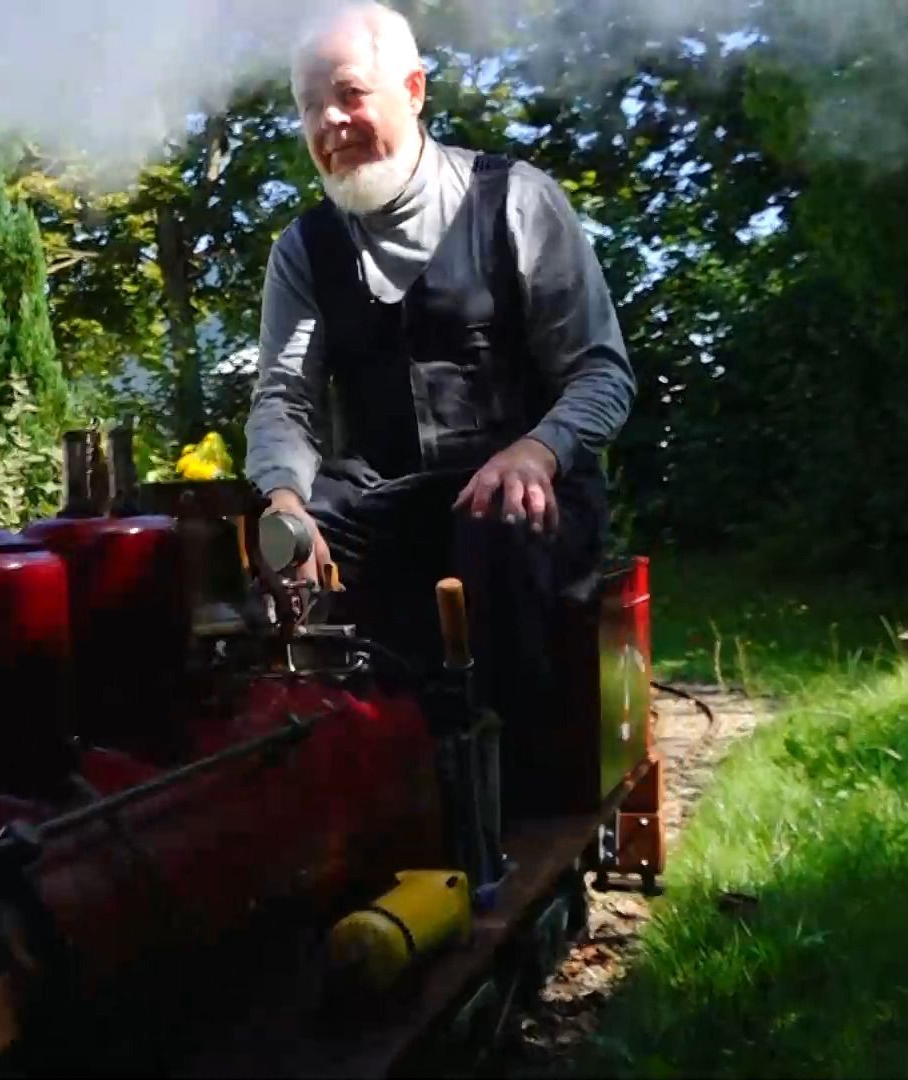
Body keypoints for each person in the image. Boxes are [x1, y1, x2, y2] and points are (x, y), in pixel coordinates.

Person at [245, 3, 636, 717]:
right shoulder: (302, 249)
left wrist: (539, 451)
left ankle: (510, 798)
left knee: (500, 529)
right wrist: (283, 504)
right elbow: (285, 400)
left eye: (350, 94)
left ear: (415, 90)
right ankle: (332, 769)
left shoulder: (517, 200)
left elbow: (602, 372)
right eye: (310, 108)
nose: (329, 121)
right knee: (274, 567)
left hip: (522, 490)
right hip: (382, 495)